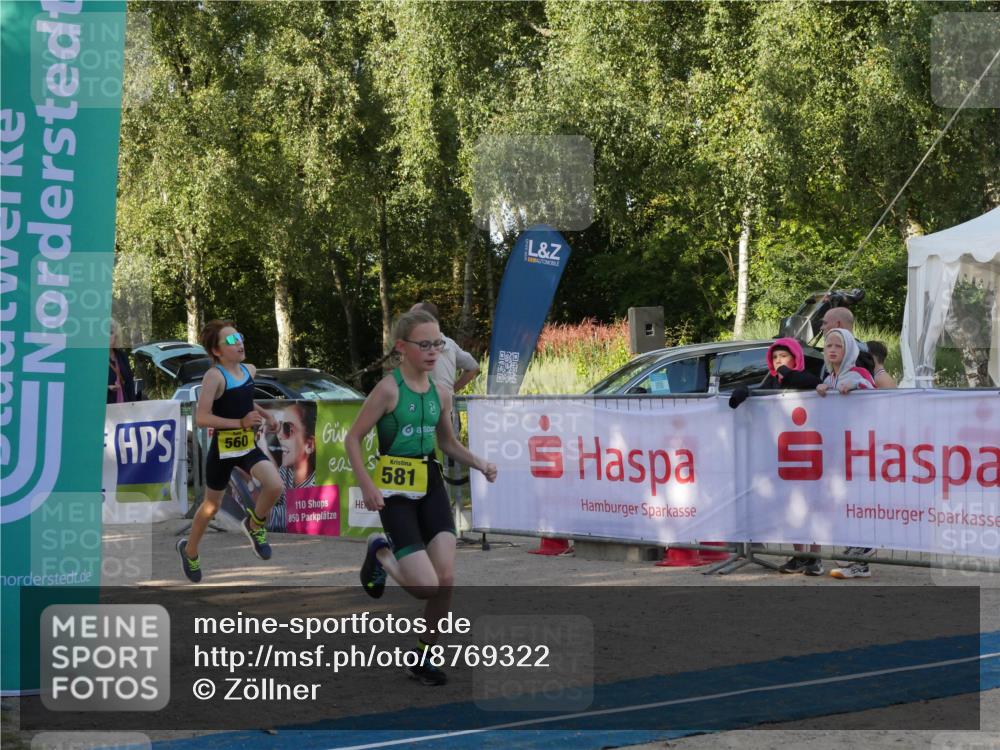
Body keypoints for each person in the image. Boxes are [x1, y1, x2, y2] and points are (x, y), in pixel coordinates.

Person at [346, 309, 497, 686]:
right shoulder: (388, 389)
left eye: (438, 345)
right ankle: (380, 553)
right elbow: (352, 438)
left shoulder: (441, 393)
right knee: (424, 586)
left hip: (429, 485)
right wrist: (366, 484)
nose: (433, 352)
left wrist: (479, 462)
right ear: (402, 347)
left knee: (445, 579)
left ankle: (423, 657)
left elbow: (447, 443)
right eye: (425, 344)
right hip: (395, 493)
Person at [176, 320, 283, 583]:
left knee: (275, 485)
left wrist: (266, 414)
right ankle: (189, 551)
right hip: (223, 450)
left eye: (240, 337)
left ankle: (254, 525)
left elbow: (244, 401)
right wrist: (240, 422)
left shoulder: (249, 370)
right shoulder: (214, 376)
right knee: (211, 507)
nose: (240, 344)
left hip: (246, 446)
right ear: (216, 351)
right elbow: (202, 418)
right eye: (232, 341)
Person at [729, 338, 824, 574]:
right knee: (790, 505)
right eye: (775, 357)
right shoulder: (772, 380)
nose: (779, 361)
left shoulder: (805, 376)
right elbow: (759, 394)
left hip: (808, 449)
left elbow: (813, 383)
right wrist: (744, 392)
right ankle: (799, 555)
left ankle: (815, 557)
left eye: (784, 356)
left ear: (795, 358)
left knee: (811, 504)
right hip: (782, 453)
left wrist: (786, 374)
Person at [409, 302, 480, 396]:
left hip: (424, 403)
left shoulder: (413, 345)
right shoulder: (450, 344)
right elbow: (473, 367)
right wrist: (451, 391)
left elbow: (473, 367)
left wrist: (452, 389)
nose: (408, 322)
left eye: (412, 317)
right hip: (444, 402)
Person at [816, 328, 875, 397]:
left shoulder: (861, 373)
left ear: (848, 349)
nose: (832, 350)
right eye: (829, 346)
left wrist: (857, 384)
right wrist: (820, 391)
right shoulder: (828, 380)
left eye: (838, 346)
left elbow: (875, 395)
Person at [819, 307, 875, 379]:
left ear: (838, 325)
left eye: (825, 323)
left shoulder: (855, 354)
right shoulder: (859, 350)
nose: (821, 327)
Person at [107, 319, 139, 403]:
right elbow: (89, 385)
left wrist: (132, 404)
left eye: (110, 332)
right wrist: (107, 388)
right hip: (105, 407)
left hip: (124, 405)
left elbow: (130, 383)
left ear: (116, 336)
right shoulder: (96, 359)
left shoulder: (122, 356)